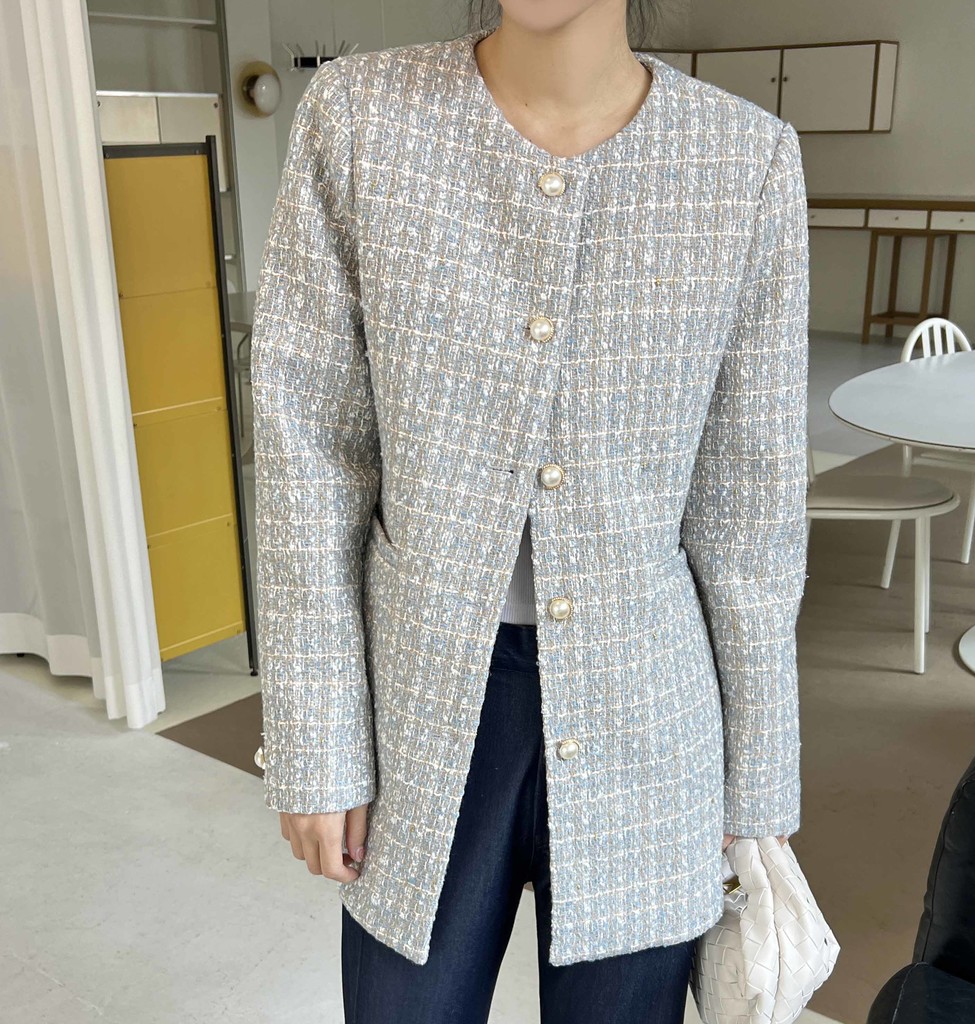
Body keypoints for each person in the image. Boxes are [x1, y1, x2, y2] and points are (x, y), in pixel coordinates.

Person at [248, 1, 809, 1022]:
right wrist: (315, 738)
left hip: (650, 720)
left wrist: (758, 787)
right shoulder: (361, 117)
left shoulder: (746, 160)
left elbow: (749, 509)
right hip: (420, 704)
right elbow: (309, 455)